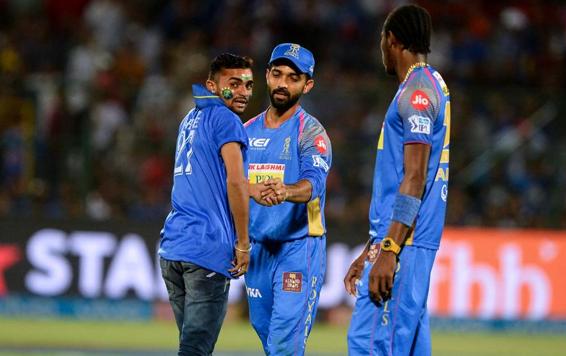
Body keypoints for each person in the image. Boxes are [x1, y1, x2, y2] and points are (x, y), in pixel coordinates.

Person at [344, 5, 451, 356]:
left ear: (392, 40)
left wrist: (389, 249)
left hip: (404, 245)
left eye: (381, 40)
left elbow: (415, 176)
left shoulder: (416, 92)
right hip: (405, 240)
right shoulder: (431, 84)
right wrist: (374, 246)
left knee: (369, 345)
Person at [158, 53, 254, 356]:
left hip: (174, 247)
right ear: (212, 85)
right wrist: (243, 244)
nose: (242, 92)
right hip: (206, 249)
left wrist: (256, 188)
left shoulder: (190, 119)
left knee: (191, 347)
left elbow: (208, 179)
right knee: (196, 350)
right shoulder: (227, 119)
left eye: (248, 85)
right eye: (234, 83)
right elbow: (235, 182)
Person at [243, 43, 332, 356]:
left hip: (298, 248)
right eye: (277, 74)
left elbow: (314, 185)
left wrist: (286, 191)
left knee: (284, 344)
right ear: (266, 76)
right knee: (268, 339)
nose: (282, 83)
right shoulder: (245, 132)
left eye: (293, 77)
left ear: (307, 85)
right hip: (257, 250)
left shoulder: (311, 133)